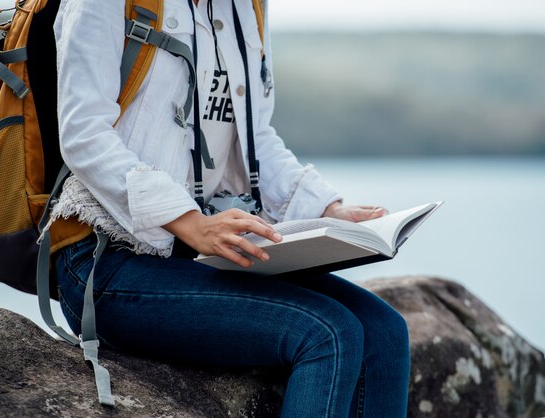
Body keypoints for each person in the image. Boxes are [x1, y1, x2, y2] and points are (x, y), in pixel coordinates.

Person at [51, 0, 410, 416]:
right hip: (105, 259)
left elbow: (255, 137)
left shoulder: (248, 7)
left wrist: (328, 209)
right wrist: (191, 223)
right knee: (326, 333)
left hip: (198, 255)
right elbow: (82, 133)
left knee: (386, 333)